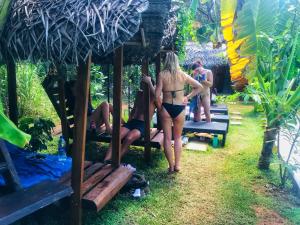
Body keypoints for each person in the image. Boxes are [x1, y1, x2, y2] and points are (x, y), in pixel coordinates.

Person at [155, 52, 203, 173]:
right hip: (179, 108)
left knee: (167, 138)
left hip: (166, 107)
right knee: (177, 138)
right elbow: (199, 86)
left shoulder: (162, 75)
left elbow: (156, 95)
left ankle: (170, 166)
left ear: (166, 61)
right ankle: (177, 165)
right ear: (176, 61)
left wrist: (160, 107)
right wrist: (188, 97)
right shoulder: (182, 75)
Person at [104, 75, 156, 162]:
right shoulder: (139, 94)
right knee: (116, 136)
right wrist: (128, 123)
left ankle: (115, 160)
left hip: (143, 125)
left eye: (143, 83)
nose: (141, 84)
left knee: (129, 138)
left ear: (148, 84)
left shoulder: (154, 97)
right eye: (141, 82)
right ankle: (106, 159)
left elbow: (160, 106)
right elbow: (134, 109)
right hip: (132, 122)